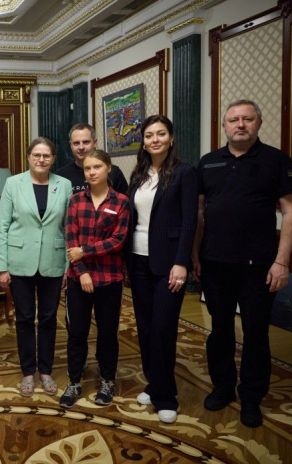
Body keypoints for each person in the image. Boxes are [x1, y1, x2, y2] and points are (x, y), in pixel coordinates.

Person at [193, 100, 292, 428]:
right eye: (233, 120)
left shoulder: (277, 161)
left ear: (258, 123)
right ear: (224, 126)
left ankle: (251, 397)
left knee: (255, 332)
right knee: (220, 329)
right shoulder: (208, 162)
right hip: (215, 263)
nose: (240, 124)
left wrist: (282, 262)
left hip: (260, 266)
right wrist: (195, 255)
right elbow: (199, 213)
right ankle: (223, 387)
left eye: (247, 119)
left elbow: (290, 211)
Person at [125, 115, 197, 423]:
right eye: (149, 135)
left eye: (161, 134)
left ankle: (167, 396)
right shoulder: (139, 174)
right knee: (144, 327)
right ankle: (154, 384)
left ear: (171, 138)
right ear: (143, 142)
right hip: (138, 260)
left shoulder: (184, 173)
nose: (155, 139)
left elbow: (190, 221)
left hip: (168, 263)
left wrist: (182, 262)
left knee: (163, 328)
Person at [0, 137, 72, 397]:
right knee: (25, 318)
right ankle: (28, 371)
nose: (41, 159)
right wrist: (1, 267)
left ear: (53, 159)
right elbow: (2, 226)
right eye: (36, 155)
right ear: (28, 157)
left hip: (53, 260)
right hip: (20, 262)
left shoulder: (64, 185)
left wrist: (68, 266)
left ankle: (46, 370)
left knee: (49, 318)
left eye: (46, 155)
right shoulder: (13, 184)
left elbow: (69, 228)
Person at [59, 149, 130, 409]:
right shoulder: (75, 200)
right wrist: (83, 271)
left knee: (107, 333)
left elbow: (118, 240)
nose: (91, 172)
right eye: (88, 168)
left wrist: (85, 251)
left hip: (109, 278)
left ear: (108, 168)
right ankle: (74, 381)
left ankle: (107, 380)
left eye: (97, 167)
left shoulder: (121, 201)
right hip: (79, 278)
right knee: (77, 333)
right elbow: (71, 240)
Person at [57, 123, 128, 195]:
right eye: (76, 143)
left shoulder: (113, 172)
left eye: (86, 142)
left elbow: (125, 200)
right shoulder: (61, 176)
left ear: (95, 143)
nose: (81, 147)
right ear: (71, 145)